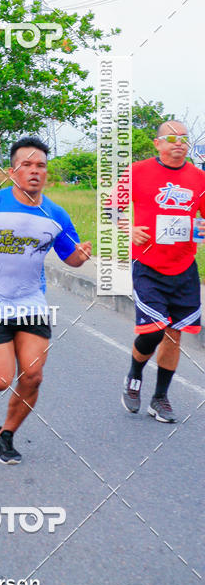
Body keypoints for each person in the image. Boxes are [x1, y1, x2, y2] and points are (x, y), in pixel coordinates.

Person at [0, 136, 92, 465]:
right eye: (27, 165)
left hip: (31, 304)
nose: (35, 171)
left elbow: (71, 257)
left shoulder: (56, 215)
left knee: (33, 376)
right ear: (12, 172)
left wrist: (80, 257)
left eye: (41, 166)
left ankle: (5, 435)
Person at [118, 121, 205, 423]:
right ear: (158, 144)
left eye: (184, 138)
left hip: (184, 267)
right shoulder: (137, 171)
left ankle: (160, 398)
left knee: (174, 333)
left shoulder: (199, 178)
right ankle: (135, 374)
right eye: (171, 138)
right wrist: (128, 229)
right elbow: (111, 208)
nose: (178, 143)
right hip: (148, 266)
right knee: (154, 330)